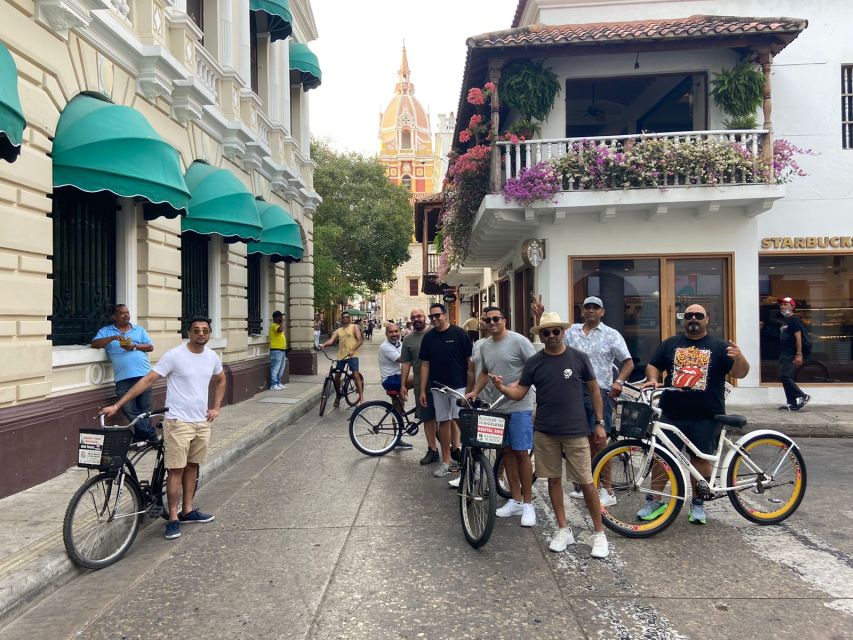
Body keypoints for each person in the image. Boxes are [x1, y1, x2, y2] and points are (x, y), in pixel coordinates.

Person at [490, 311, 609, 558]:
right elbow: (520, 392)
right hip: (545, 431)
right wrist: (501, 387)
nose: (552, 335)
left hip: (576, 431)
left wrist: (599, 422)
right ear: (541, 336)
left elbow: (595, 391)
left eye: (556, 331)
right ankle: (563, 529)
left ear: (563, 332)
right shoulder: (534, 362)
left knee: (586, 482)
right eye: (546, 332)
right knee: (553, 480)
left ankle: (599, 534)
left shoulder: (579, 358)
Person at [100, 317, 227, 540]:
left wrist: (215, 407)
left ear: (209, 334)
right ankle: (174, 518)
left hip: (201, 422)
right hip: (178, 422)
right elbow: (148, 380)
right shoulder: (175, 355)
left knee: (192, 466)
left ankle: (188, 510)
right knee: (175, 470)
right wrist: (118, 405)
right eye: (196, 330)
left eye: (205, 331)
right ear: (189, 332)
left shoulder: (211, 357)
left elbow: (221, 379)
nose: (200, 334)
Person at [643, 303, 750, 525]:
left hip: (706, 415)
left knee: (700, 460)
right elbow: (653, 365)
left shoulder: (720, 347)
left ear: (707, 319)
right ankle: (655, 501)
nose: (693, 318)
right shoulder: (671, 344)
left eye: (698, 315)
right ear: (684, 320)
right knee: (662, 457)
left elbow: (740, 373)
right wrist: (652, 378)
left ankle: (698, 505)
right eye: (689, 315)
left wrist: (739, 357)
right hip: (671, 414)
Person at [533, 295, 634, 503]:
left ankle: (607, 490)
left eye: (595, 307)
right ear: (582, 311)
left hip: (600, 393)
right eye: (587, 307)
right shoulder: (572, 332)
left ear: (602, 312)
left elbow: (628, 362)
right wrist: (540, 317)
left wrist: (620, 382)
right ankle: (585, 484)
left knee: (600, 440)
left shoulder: (611, 334)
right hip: (573, 393)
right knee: (580, 441)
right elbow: (551, 337)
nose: (591, 311)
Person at [465, 307, 537, 526]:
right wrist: (475, 391)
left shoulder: (519, 341)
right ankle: (515, 500)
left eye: (496, 318)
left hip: (519, 405)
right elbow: (484, 372)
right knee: (505, 453)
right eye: (488, 320)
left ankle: (528, 504)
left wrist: (521, 382)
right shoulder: (484, 346)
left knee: (521, 453)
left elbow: (534, 366)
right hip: (496, 406)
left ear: (505, 320)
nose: (492, 322)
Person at [418, 303, 471, 478]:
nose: (434, 319)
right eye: (431, 316)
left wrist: (470, 389)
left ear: (445, 315)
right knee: (443, 422)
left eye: (437, 315)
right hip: (437, 387)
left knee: (460, 420)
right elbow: (425, 365)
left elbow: (470, 362)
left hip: (458, 386)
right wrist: (423, 391)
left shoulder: (459, 334)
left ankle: (470, 460)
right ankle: (446, 461)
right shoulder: (428, 338)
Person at [91, 304, 156, 442]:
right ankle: (150, 434)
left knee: (144, 409)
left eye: (127, 312)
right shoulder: (106, 331)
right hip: (123, 378)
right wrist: (113, 338)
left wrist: (133, 346)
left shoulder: (139, 330)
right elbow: (95, 344)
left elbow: (150, 346)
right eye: (122, 313)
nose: (126, 315)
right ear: (114, 316)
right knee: (128, 409)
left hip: (144, 375)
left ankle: (140, 438)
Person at [399, 309, 439, 465]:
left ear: (425, 318)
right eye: (413, 317)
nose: (417, 319)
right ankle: (433, 450)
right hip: (421, 386)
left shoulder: (436, 333)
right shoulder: (408, 340)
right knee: (428, 419)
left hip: (442, 384)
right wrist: (403, 384)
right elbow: (406, 364)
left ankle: (453, 450)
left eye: (419, 316)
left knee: (446, 420)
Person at [378, 323, 413, 450]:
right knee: (420, 379)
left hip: (397, 378)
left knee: (398, 410)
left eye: (396, 331)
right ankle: (423, 400)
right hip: (391, 380)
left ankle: (397, 440)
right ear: (386, 334)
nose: (394, 334)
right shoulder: (385, 347)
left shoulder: (399, 344)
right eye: (391, 332)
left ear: (400, 331)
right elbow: (403, 360)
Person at [320, 311, 364, 406]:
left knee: (356, 376)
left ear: (349, 318)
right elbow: (331, 341)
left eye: (347, 317)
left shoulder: (354, 327)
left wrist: (352, 350)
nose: (345, 319)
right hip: (341, 356)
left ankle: (361, 399)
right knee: (337, 376)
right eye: (343, 317)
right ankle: (338, 396)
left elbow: (360, 340)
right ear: (341, 319)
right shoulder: (338, 330)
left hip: (352, 355)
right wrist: (323, 345)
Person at [777, 296, 810, 411]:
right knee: (785, 377)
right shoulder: (784, 321)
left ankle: (802, 395)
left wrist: (799, 354)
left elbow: (798, 338)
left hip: (792, 353)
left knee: (784, 376)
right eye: (781, 304)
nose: (782, 306)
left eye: (785, 304)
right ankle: (792, 403)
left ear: (792, 306)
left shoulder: (795, 320)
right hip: (784, 353)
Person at [269, 310, 287, 390]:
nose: (281, 318)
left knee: (281, 368)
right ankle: (273, 384)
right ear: (276, 318)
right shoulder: (274, 325)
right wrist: (282, 322)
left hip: (282, 350)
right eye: (280, 316)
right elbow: (280, 330)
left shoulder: (278, 325)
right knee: (275, 368)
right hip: (276, 350)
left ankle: (278, 382)